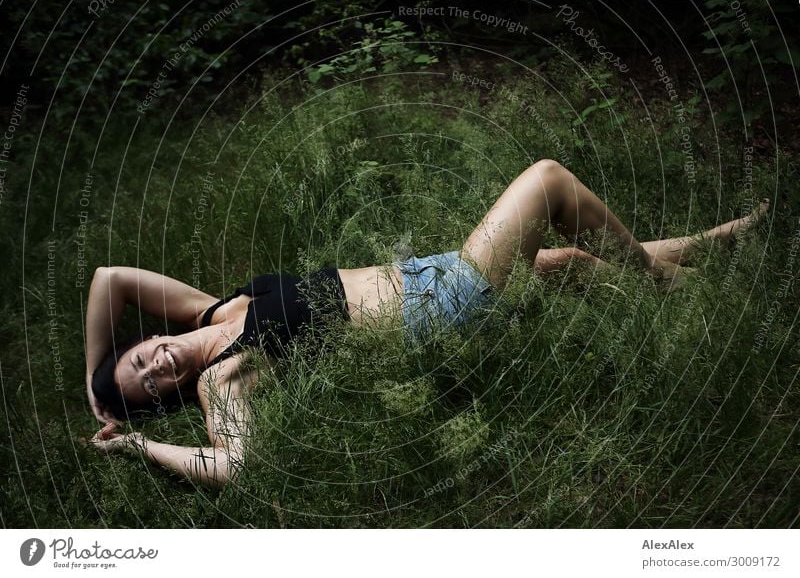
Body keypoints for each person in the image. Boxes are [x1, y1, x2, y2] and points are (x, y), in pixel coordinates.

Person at [87, 159, 769, 487]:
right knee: (549, 181)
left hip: (428, 272)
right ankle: (664, 284)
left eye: (141, 358)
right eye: (150, 386)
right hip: (443, 310)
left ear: (148, 336)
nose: (158, 366)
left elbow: (107, 280)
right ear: (171, 396)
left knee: (562, 261)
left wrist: (99, 389)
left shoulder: (210, 309)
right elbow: (235, 465)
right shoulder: (224, 379)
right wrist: (136, 443)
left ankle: (714, 246)